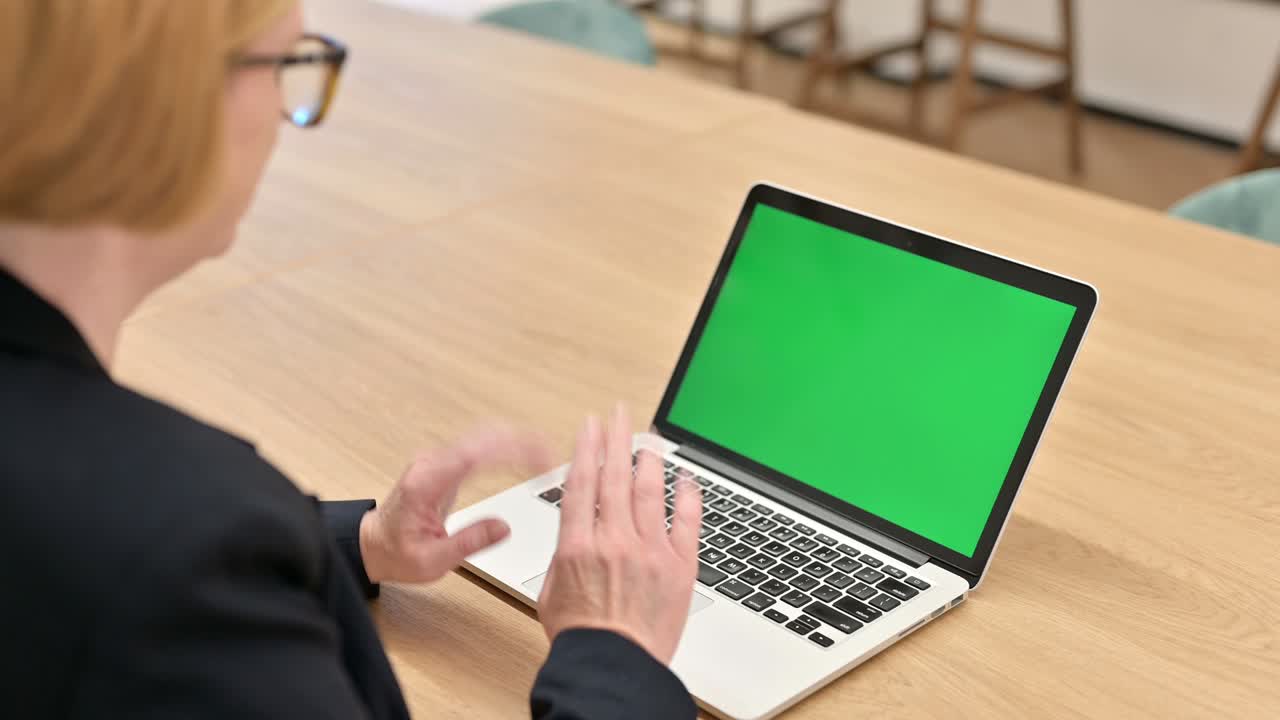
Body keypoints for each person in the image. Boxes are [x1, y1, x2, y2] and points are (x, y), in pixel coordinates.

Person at [0, 1, 703, 718]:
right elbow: (137, 557)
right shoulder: (174, 560)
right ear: (167, 107)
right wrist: (617, 654)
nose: (286, 118)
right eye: (284, 68)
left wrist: (348, 543)